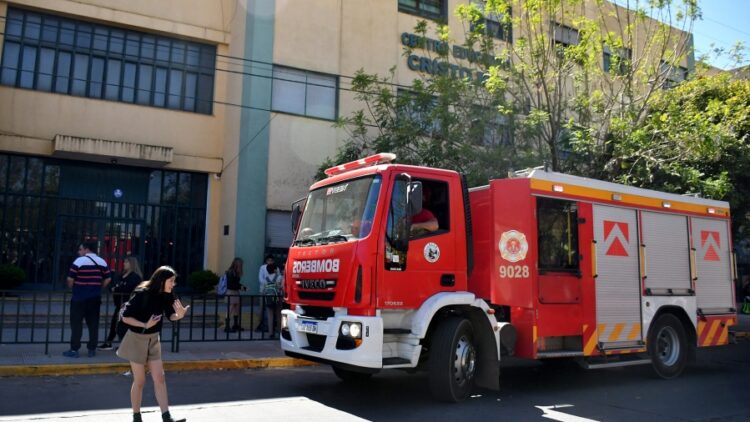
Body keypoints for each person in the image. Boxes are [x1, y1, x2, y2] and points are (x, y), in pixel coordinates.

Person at [117, 266, 190, 422]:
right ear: (162, 280)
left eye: (174, 281)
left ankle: (166, 417)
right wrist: (145, 325)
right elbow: (125, 317)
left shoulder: (167, 295)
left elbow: (171, 315)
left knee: (160, 378)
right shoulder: (142, 294)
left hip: (154, 339)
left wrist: (180, 315)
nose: (173, 284)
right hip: (136, 339)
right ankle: (137, 417)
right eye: (171, 281)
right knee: (140, 380)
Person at [63, 241, 112, 358]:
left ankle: (74, 349)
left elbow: (70, 278)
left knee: (76, 324)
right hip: (94, 298)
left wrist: (73, 288)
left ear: (86, 249)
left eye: (80, 249)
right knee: (93, 324)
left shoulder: (79, 261)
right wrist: (99, 287)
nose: (79, 252)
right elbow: (108, 278)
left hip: (79, 298)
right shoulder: (102, 262)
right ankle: (92, 349)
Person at [99, 256, 143, 350]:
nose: (124, 264)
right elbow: (114, 285)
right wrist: (115, 288)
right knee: (116, 323)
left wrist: (117, 288)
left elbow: (128, 288)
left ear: (131, 264)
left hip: (129, 305)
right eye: (124, 262)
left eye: (126, 262)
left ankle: (124, 345)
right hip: (120, 303)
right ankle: (110, 342)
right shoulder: (122, 275)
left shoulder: (135, 277)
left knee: (124, 325)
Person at [224, 257, 246, 332]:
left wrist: (241, 287)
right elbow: (231, 285)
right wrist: (241, 287)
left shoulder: (235, 272)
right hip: (231, 292)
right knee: (230, 309)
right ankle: (227, 326)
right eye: (241, 265)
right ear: (237, 265)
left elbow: (235, 284)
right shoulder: (231, 272)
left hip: (235, 292)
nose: (241, 266)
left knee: (236, 308)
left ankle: (235, 325)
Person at [260, 262, 283, 336]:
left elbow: (263, 290)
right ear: (275, 270)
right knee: (278, 314)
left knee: (270, 315)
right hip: (277, 298)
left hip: (268, 298)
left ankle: (270, 333)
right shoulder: (279, 277)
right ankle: (279, 332)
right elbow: (281, 287)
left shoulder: (266, 279)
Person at [256, 255, 275, 332]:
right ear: (266, 261)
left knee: (270, 308)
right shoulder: (262, 267)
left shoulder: (275, 268)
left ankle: (270, 325)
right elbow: (260, 278)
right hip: (263, 290)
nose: (270, 262)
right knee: (262, 307)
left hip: (272, 292)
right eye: (268, 260)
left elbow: (277, 278)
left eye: (271, 260)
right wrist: (269, 284)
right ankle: (261, 324)